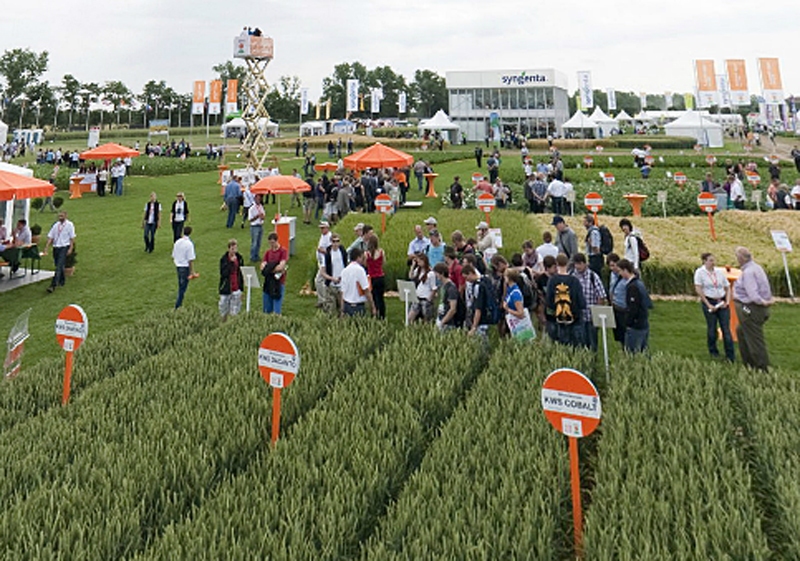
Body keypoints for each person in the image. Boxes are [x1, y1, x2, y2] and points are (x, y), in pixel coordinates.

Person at [733, 246, 774, 371]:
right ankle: (748, 364)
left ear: (741, 258)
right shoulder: (757, 268)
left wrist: (763, 302)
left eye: (737, 257)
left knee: (754, 339)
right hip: (756, 307)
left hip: (750, 308)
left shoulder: (748, 273)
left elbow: (753, 294)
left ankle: (761, 368)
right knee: (741, 331)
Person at [694, 252, 735, 362]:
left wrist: (727, 301)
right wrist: (708, 304)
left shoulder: (719, 272)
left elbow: (727, 287)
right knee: (712, 328)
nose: (713, 263)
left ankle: (730, 355)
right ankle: (713, 351)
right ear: (704, 261)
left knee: (726, 329)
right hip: (709, 300)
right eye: (710, 260)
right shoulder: (700, 273)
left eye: (713, 260)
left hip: (721, 301)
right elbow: (698, 289)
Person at [545, 253, 585, 346]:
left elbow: (549, 302)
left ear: (556, 264)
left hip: (557, 320)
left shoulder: (552, 280)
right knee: (575, 347)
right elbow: (582, 303)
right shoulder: (575, 281)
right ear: (567, 263)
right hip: (575, 319)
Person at [572, 253, 607, 351]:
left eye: (579, 264)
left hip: (591, 317)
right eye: (576, 264)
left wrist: (597, 314)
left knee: (592, 343)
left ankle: (593, 358)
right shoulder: (573, 276)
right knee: (580, 344)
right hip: (578, 316)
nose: (577, 266)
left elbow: (601, 296)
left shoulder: (593, 276)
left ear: (585, 263)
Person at [618, 258, 651, 353]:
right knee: (642, 350)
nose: (620, 274)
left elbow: (633, 308)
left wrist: (628, 322)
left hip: (636, 325)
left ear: (625, 270)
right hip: (643, 323)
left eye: (620, 271)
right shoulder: (639, 283)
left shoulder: (632, 287)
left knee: (632, 352)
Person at [43, 211, 76, 293]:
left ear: (66, 216)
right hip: (56, 247)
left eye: (62, 216)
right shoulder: (56, 225)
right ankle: (62, 280)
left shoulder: (69, 225)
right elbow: (51, 237)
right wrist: (46, 247)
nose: (60, 217)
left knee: (58, 266)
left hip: (64, 247)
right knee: (58, 264)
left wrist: (70, 248)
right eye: (59, 216)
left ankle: (53, 285)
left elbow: (72, 238)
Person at [340, 247, 376, 316]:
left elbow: (342, 292)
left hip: (347, 305)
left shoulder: (344, 271)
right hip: (358, 306)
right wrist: (372, 307)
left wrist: (342, 310)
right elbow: (366, 289)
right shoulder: (360, 270)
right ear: (358, 257)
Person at [261, 232, 288, 314]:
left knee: (277, 307)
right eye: (270, 243)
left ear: (276, 241)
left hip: (278, 282)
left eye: (273, 243)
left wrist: (268, 269)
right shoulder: (268, 253)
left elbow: (281, 266)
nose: (271, 245)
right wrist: (272, 268)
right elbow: (262, 266)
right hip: (268, 281)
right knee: (267, 307)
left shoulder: (283, 251)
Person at [322, 233, 348, 316]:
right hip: (331, 285)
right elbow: (323, 272)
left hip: (342, 284)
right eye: (334, 241)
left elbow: (347, 265)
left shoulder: (343, 251)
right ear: (331, 242)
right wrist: (332, 278)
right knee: (330, 309)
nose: (336, 243)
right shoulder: (327, 254)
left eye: (337, 241)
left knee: (342, 308)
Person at [219, 239, 244, 321]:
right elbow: (224, 273)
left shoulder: (239, 258)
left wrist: (241, 289)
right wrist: (231, 263)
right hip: (226, 288)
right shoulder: (224, 259)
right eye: (232, 249)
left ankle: (233, 323)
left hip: (236, 287)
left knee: (235, 310)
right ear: (229, 249)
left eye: (235, 249)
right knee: (224, 309)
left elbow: (241, 274)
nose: (234, 251)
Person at [408, 253, 437, 323]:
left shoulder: (431, 273)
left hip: (426, 298)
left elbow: (434, 288)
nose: (418, 263)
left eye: (420, 261)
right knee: (410, 317)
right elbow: (411, 276)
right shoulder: (418, 270)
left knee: (426, 319)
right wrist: (412, 266)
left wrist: (429, 299)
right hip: (418, 297)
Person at [171, 226, 196, 309]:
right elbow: (190, 259)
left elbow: (173, 254)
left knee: (180, 284)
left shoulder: (177, 242)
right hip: (185, 267)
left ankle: (179, 304)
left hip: (178, 265)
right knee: (183, 288)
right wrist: (192, 272)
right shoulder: (189, 244)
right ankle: (178, 305)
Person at [606, 253, 628, 346]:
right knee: (618, 332)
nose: (612, 268)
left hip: (623, 306)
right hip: (614, 305)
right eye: (610, 266)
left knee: (625, 331)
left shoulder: (624, 276)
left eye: (613, 265)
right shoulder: (612, 274)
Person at [365, 233, 386, 319]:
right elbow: (383, 263)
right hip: (380, 276)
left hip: (372, 278)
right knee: (380, 297)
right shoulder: (381, 252)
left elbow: (366, 264)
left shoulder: (367, 254)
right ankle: (382, 315)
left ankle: (374, 313)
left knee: (373, 297)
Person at [434, 263, 460, 331]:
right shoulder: (442, 286)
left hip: (448, 323)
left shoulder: (451, 288)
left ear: (442, 273)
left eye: (437, 273)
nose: (436, 276)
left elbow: (453, 309)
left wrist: (442, 322)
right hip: (440, 317)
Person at [315, 221, 333, 308]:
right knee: (320, 281)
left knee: (319, 281)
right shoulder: (323, 236)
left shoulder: (329, 237)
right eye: (320, 228)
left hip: (325, 263)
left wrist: (322, 250)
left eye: (323, 228)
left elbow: (330, 251)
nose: (321, 230)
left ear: (327, 228)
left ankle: (323, 300)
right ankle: (323, 299)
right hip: (322, 262)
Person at [248, 194, 265, 262]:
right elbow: (250, 219)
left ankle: (256, 255)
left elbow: (263, 215)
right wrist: (257, 216)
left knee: (259, 242)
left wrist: (262, 217)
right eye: (257, 199)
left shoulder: (261, 206)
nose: (259, 200)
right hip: (254, 226)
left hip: (260, 225)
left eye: (259, 199)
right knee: (254, 242)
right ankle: (252, 256)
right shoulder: (252, 208)